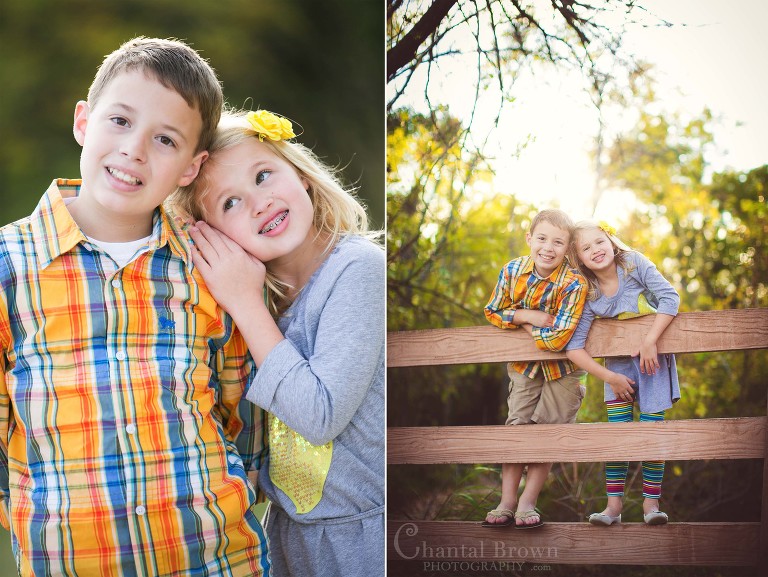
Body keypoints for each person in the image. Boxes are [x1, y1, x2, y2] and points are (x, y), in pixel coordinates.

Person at [0, 37, 270, 576]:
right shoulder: (10, 264)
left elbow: (241, 404)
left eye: (165, 139)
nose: (134, 150)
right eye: (120, 121)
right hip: (72, 560)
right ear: (83, 122)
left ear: (191, 169)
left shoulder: (206, 265)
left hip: (217, 557)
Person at [175, 108, 385, 577]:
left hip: (364, 541)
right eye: (229, 203)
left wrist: (246, 304)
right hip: (287, 539)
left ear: (303, 175)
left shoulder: (357, 269)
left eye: (264, 175)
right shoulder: (253, 303)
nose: (258, 203)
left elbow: (319, 414)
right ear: (211, 237)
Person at [565, 220, 680, 526]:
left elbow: (670, 298)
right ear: (579, 258)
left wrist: (650, 341)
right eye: (586, 248)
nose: (596, 250)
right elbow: (574, 346)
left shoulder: (633, 264)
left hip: (652, 362)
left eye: (599, 241)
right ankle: (613, 506)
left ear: (611, 240)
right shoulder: (587, 291)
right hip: (617, 369)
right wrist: (610, 378)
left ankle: (651, 505)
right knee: (618, 435)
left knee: (652, 432)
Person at [482, 209, 587, 529]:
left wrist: (524, 326)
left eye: (558, 242)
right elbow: (493, 311)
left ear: (567, 248)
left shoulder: (573, 283)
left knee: (547, 434)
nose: (548, 247)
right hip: (523, 367)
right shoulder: (512, 270)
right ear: (529, 239)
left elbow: (558, 339)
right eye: (541, 238)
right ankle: (507, 501)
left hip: (564, 371)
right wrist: (528, 317)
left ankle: (528, 503)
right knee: (517, 426)